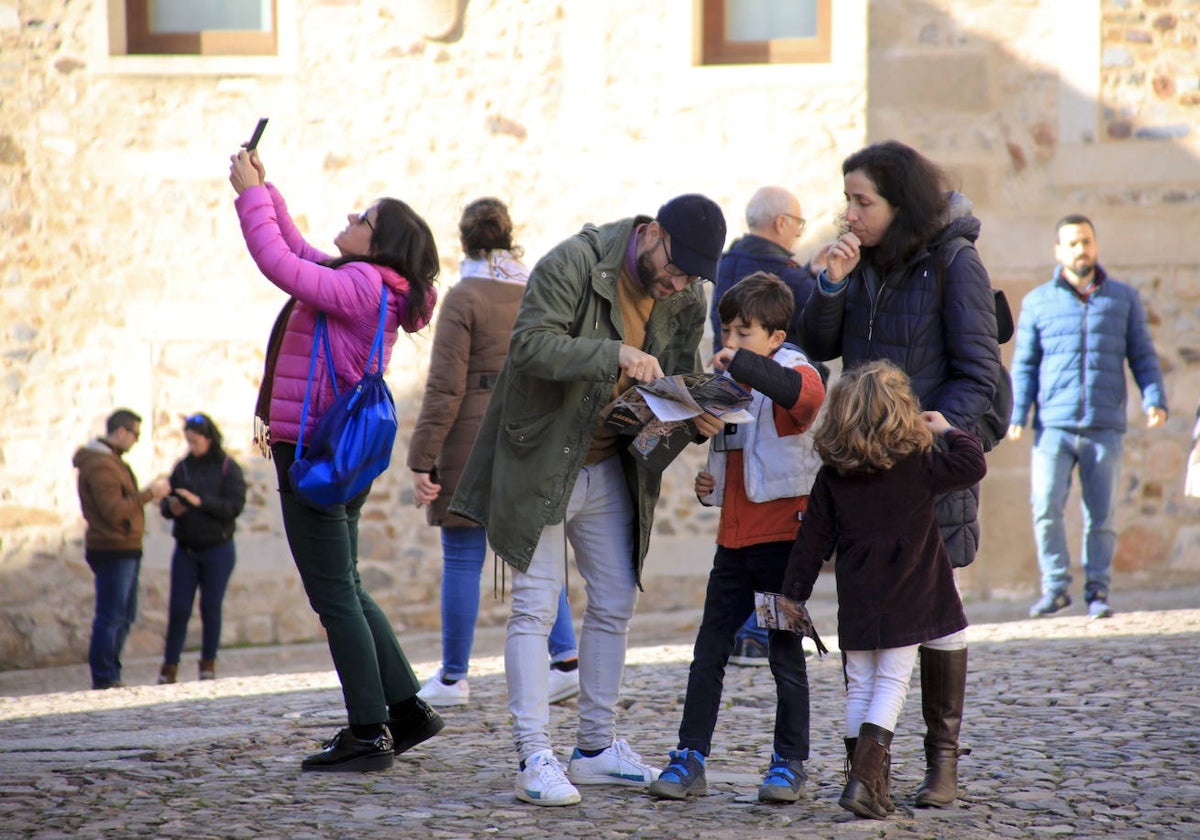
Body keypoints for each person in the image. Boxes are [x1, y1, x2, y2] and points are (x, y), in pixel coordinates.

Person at [450, 194, 728, 807]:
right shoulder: (572, 263)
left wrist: (696, 417)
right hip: (543, 458)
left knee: (614, 602)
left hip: (611, 464)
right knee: (532, 608)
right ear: (652, 233)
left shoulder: (686, 294)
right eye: (674, 269)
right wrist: (614, 353)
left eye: (689, 279)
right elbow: (529, 346)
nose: (677, 285)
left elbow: (676, 380)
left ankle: (595, 749)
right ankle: (534, 757)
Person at [799, 139, 1003, 808]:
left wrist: (931, 437)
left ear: (900, 203)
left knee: (937, 610)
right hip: (861, 467)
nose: (850, 214)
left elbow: (979, 374)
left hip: (921, 468)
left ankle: (941, 761)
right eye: (849, 200)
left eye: (864, 202)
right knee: (876, 618)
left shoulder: (954, 262)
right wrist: (828, 285)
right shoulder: (859, 264)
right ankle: (870, 771)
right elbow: (822, 343)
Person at [229, 147, 443, 773]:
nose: (351, 216)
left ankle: (368, 730)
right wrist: (265, 192)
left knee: (333, 596)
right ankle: (405, 708)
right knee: (346, 584)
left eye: (364, 217)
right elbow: (297, 251)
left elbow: (277, 264)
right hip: (339, 451)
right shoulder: (369, 285)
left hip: (312, 451)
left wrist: (245, 197)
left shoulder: (358, 285)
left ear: (380, 246)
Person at [647, 272, 825, 804]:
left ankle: (789, 762)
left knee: (784, 657)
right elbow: (736, 460)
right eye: (726, 332)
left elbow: (804, 400)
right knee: (709, 652)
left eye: (743, 333)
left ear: (775, 337)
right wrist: (710, 486)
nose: (729, 344)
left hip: (783, 545)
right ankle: (690, 755)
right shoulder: (731, 380)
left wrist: (741, 366)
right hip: (734, 542)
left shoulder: (796, 370)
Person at [782, 360, 987, 820]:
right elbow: (972, 465)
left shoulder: (833, 474)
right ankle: (864, 783)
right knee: (891, 683)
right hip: (908, 590)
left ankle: (866, 782)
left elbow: (811, 540)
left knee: (860, 684)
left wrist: (792, 595)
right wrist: (949, 428)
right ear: (902, 411)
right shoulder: (917, 463)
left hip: (857, 592)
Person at [407, 197, 579, 708]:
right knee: (534, 550)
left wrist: (422, 457)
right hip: (530, 431)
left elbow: (443, 387)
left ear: (463, 239)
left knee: (462, 556)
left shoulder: (463, 297)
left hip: (474, 433)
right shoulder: (534, 288)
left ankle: (454, 677)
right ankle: (566, 660)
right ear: (510, 236)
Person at [1008, 214, 1167, 621]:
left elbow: (1143, 357)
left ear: (1095, 245)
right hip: (1053, 427)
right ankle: (1056, 588)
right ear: (1058, 251)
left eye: (1087, 241)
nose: (1082, 249)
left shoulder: (1124, 299)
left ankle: (1097, 591)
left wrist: (1155, 399)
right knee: (1045, 506)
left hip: (1104, 425)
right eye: (1073, 243)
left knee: (1101, 516)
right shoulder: (1038, 302)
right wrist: (1017, 414)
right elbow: (1024, 365)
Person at [710, 186, 822, 668]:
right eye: (798, 226)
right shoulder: (786, 276)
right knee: (768, 546)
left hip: (770, 410)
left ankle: (750, 633)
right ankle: (757, 634)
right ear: (781, 224)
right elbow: (816, 331)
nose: (798, 235)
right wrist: (822, 283)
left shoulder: (724, 266)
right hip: (776, 417)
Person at [72, 409, 171, 690]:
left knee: (124, 614)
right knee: (111, 615)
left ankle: (111, 672)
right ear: (121, 431)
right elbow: (114, 510)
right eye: (135, 434)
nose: (136, 441)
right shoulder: (101, 464)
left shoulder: (111, 460)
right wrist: (150, 493)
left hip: (125, 547)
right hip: (113, 548)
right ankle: (105, 676)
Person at [156, 413, 247, 684]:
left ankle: (208, 663)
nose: (191, 447)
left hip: (218, 548)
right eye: (188, 442)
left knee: (210, 607)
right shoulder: (183, 468)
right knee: (179, 609)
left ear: (209, 439)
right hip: (186, 549)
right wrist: (172, 507)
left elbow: (233, 507)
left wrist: (199, 501)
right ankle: (169, 665)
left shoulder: (228, 467)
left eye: (196, 442)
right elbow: (167, 504)